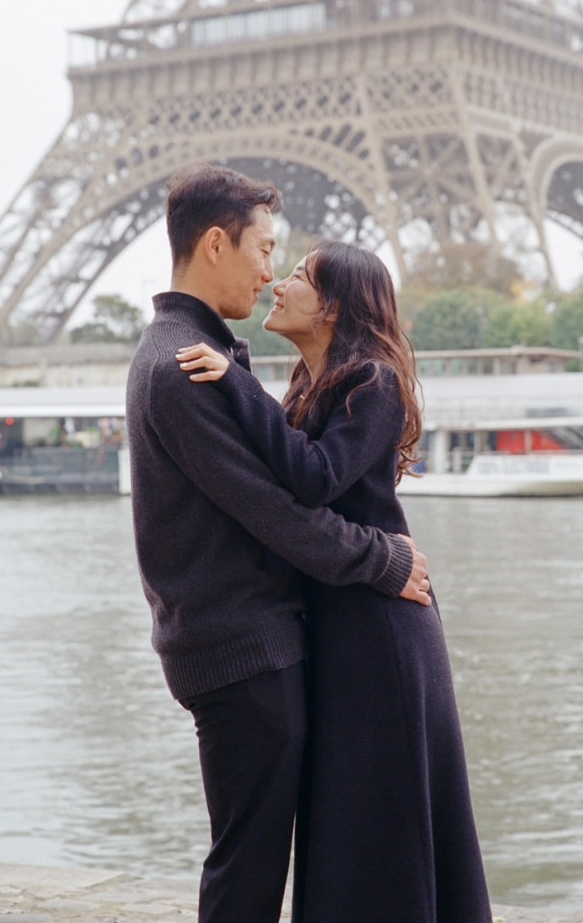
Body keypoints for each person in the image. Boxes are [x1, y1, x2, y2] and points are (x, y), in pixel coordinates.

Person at [125, 165, 431, 923]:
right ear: (217, 243)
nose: (270, 273)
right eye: (265, 250)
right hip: (242, 651)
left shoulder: (198, 352)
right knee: (250, 869)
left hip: (254, 641)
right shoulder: (184, 365)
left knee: (271, 857)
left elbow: (296, 484)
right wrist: (384, 556)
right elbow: (278, 511)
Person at [176, 239, 493, 923]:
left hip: (380, 626)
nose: (278, 282)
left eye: (297, 275)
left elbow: (315, 477)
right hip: (343, 617)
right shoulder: (307, 385)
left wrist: (235, 384)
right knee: (348, 814)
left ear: (335, 307)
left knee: (378, 813)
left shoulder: (372, 382)